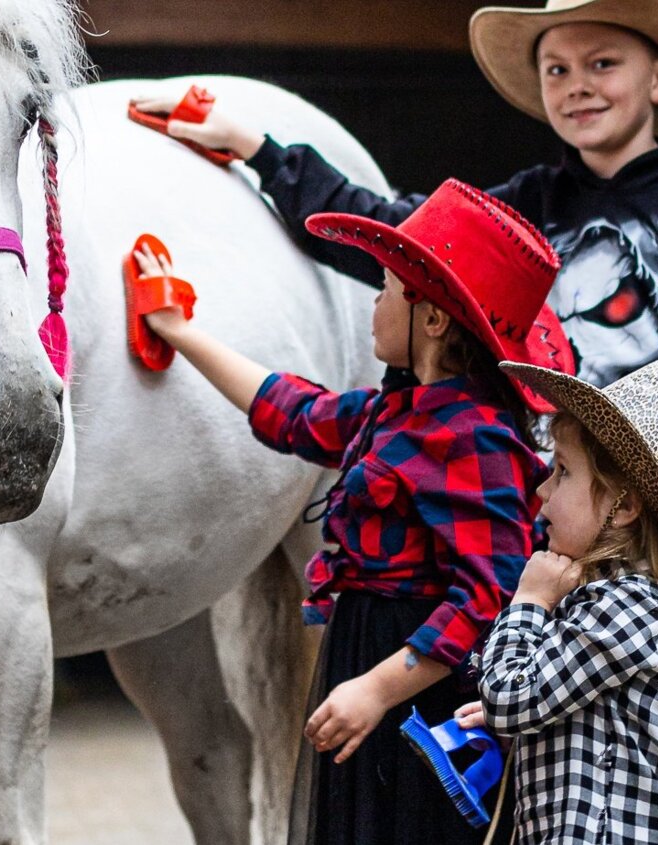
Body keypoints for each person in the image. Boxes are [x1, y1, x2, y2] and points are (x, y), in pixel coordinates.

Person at [130, 1, 658, 838]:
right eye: (556, 69)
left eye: (601, 64)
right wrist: (259, 151)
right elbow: (413, 240)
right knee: (561, 796)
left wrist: (623, 538)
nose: (576, 85)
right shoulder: (530, 204)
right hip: (547, 551)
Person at [133, 179, 571, 844]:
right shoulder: (390, 414)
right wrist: (179, 331)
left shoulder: (470, 433)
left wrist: (377, 689)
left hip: (422, 690)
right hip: (368, 656)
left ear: (431, 319)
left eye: (389, 286)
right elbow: (290, 411)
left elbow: (489, 595)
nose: (373, 299)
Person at [455, 359, 658, 844]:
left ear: (626, 506)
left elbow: (510, 698)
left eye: (562, 471)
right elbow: (578, 705)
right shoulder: (617, 605)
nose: (542, 489)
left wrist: (528, 601)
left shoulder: (628, 607)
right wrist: (535, 704)